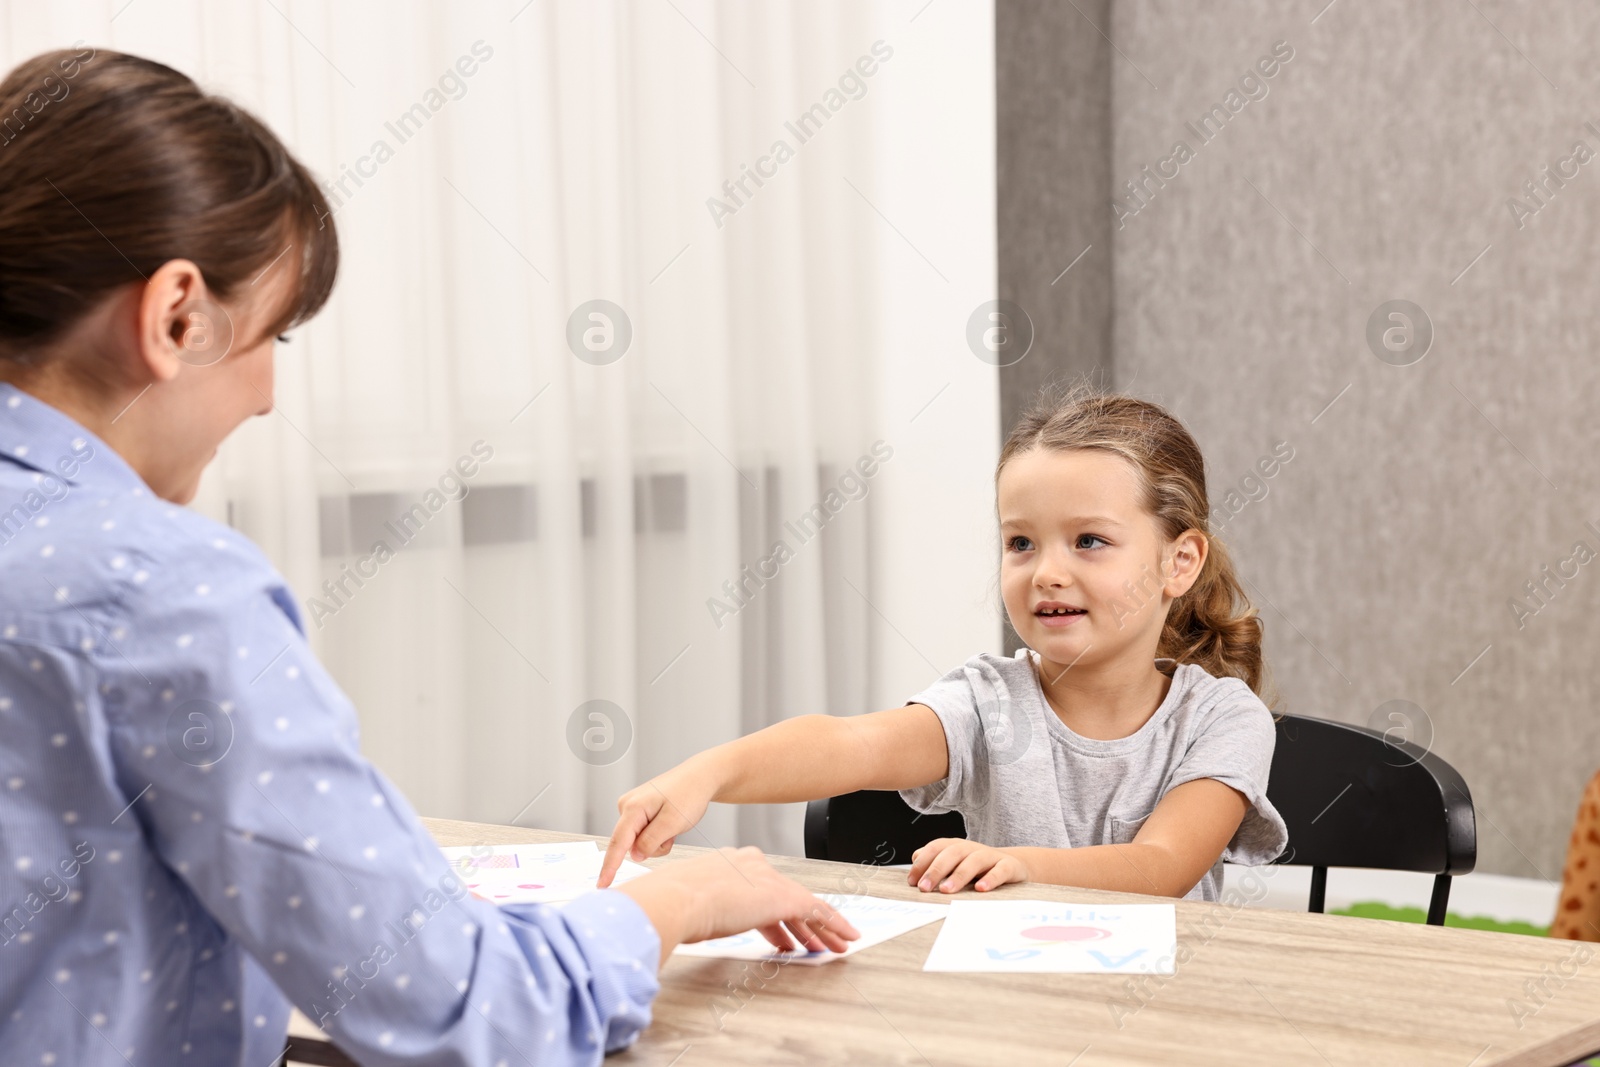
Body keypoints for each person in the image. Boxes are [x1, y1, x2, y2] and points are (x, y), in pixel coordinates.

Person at [0, 47, 855, 1067]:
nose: (268, 395)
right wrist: (676, 900)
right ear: (177, 316)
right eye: (273, 335)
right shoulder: (157, 588)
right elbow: (468, 1013)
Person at [603, 390, 1290, 901]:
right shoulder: (989, 703)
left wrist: (1025, 864)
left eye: (1089, 540)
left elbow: (1161, 865)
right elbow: (851, 744)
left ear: (1180, 560)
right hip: (1006, 1006)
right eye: (1021, 541)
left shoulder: (1224, 720)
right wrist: (707, 774)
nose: (1047, 569)